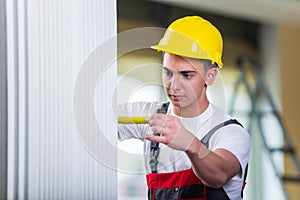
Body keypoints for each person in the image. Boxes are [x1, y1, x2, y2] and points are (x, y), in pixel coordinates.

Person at [118, 15, 250, 200]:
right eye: (167, 73)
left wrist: (189, 143)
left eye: (186, 75)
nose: (174, 85)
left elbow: (218, 175)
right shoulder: (150, 116)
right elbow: (96, 120)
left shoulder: (230, 132)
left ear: (210, 76)